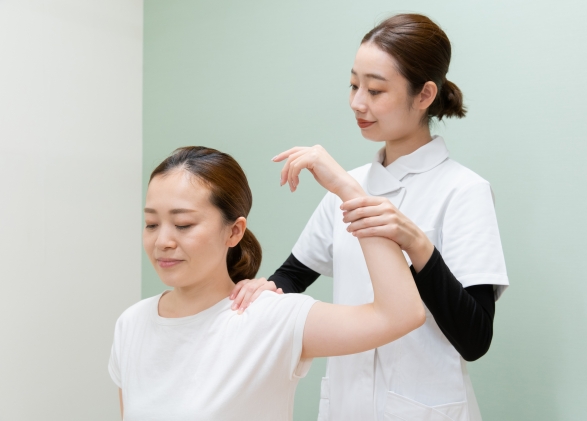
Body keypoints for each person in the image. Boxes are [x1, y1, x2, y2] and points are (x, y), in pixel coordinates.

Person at [229, 13, 509, 421]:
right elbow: (291, 277)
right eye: (353, 85)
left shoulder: (464, 190)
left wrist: (416, 243)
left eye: (375, 90)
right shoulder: (349, 185)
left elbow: (475, 339)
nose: (358, 103)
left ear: (425, 95)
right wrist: (263, 290)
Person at [108, 146, 426, 420]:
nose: (162, 241)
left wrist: (350, 190)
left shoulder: (269, 318)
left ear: (234, 231)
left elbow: (401, 314)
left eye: (183, 224)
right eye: (151, 223)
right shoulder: (132, 323)